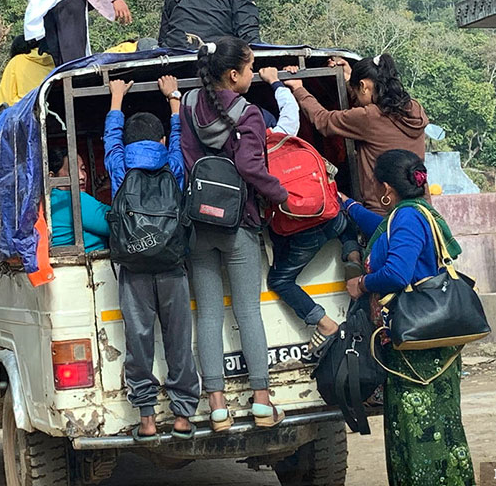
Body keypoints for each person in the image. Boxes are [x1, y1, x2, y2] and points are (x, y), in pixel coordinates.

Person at [343, 149, 474, 486]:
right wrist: (348, 205)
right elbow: (381, 230)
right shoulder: (413, 213)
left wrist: (362, 283)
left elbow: (397, 273)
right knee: (441, 427)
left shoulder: (407, 218)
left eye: (375, 187)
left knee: (419, 431)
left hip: (416, 349)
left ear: (386, 187)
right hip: (432, 343)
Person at [179, 36, 288, 431]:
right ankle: (261, 401)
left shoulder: (188, 104)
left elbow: (186, 156)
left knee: (207, 314)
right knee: (247, 310)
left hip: (198, 223)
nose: (254, 73)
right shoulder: (250, 113)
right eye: (251, 67)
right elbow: (250, 167)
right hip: (238, 222)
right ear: (233, 74)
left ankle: (217, 407)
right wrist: (280, 193)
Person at [103, 76, 200, 441]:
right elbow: (180, 139)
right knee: (179, 339)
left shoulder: (119, 166)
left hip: (134, 268)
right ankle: (183, 416)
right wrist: (173, 100)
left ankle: (146, 417)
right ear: (160, 141)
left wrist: (116, 96)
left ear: (127, 143)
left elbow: (110, 138)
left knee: (138, 340)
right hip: (173, 267)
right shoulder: (173, 165)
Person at [265, 65, 364, 360]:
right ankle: (352, 255)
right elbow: (290, 112)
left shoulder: (252, 155)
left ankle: (324, 322)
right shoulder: (292, 136)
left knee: (279, 280)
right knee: (346, 226)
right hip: (331, 216)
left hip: (302, 231)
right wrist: (278, 83)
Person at [284, 53, 429, 213]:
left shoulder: (370, 118)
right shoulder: (414, 109)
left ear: (364, 85)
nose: (356, 100)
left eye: (356, 91)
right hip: (422, 207)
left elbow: (323, 120)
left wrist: (298, 88)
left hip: (385, 212)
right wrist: (348, 77)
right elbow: (367, 102)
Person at [48, 148, 110, 251]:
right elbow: (123, 223)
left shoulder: (49, 202)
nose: (82, 176)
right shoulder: (71, 200)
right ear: (52, 177)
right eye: (72, 171)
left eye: (83, 169)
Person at [0, 35, 55, 105]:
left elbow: (5, 97)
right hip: (50, 104)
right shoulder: (53, 61)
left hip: (24, 106)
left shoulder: (16, 61)